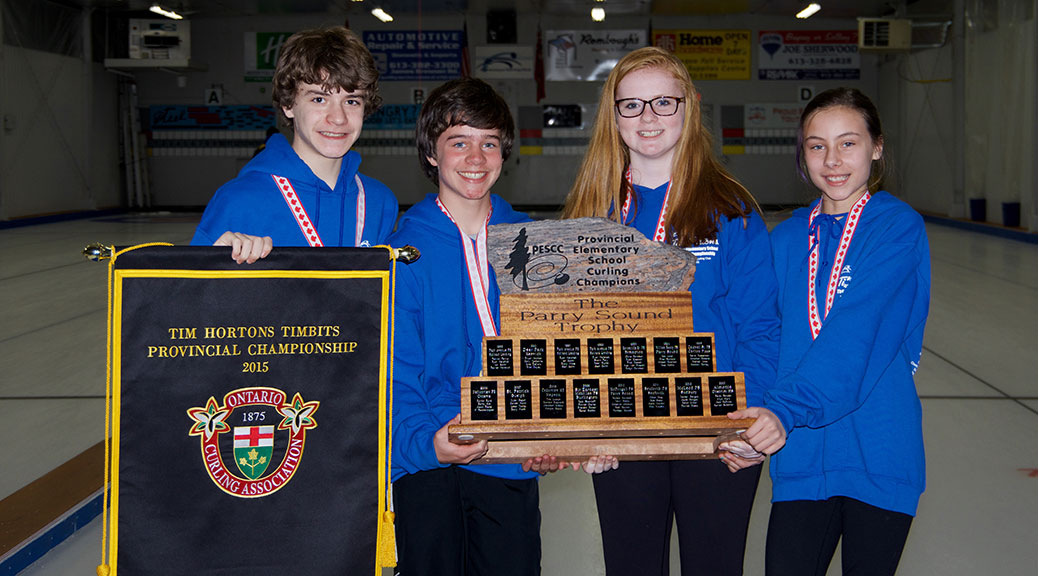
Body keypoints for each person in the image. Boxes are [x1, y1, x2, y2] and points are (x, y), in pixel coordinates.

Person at [562, 46, 780, 576]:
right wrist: (581, 425)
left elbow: (761, 327)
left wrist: (750, 422)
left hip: (716, 425)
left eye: (664, 102)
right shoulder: (592, 211)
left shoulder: (730, 208)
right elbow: (565, 330)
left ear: (690, 107)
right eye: (632, 105)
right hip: (622, 425)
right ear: (613, 117)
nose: (649, 117)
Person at [389, 77, 599, 576]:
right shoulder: (401, 251)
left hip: (508, 458)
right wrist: (425, 443)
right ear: (432, 153)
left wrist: (550, 435)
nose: (475, 158)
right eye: (458, 142)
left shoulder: (537, 245)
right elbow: (397, 371)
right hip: (426, 462)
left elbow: (556, 354)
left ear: (504, 152)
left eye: (488, 143)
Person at [728, 87, 931, 576]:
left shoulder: (897, 228)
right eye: (817, 145)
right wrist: (744, 424)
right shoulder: (787, 238)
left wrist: (781, 412)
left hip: (878, 452)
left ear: (877, 147)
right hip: (801, 457)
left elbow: (858, 334)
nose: (832, 160)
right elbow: (760, 335)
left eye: (848, 143)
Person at [190, 26, 398, 260]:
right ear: (288, 105)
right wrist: (213, 263)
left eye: (351, 101)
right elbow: (186, 292)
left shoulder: (379, 201)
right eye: (319, 99)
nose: (338, 118)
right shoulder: (240, 200)